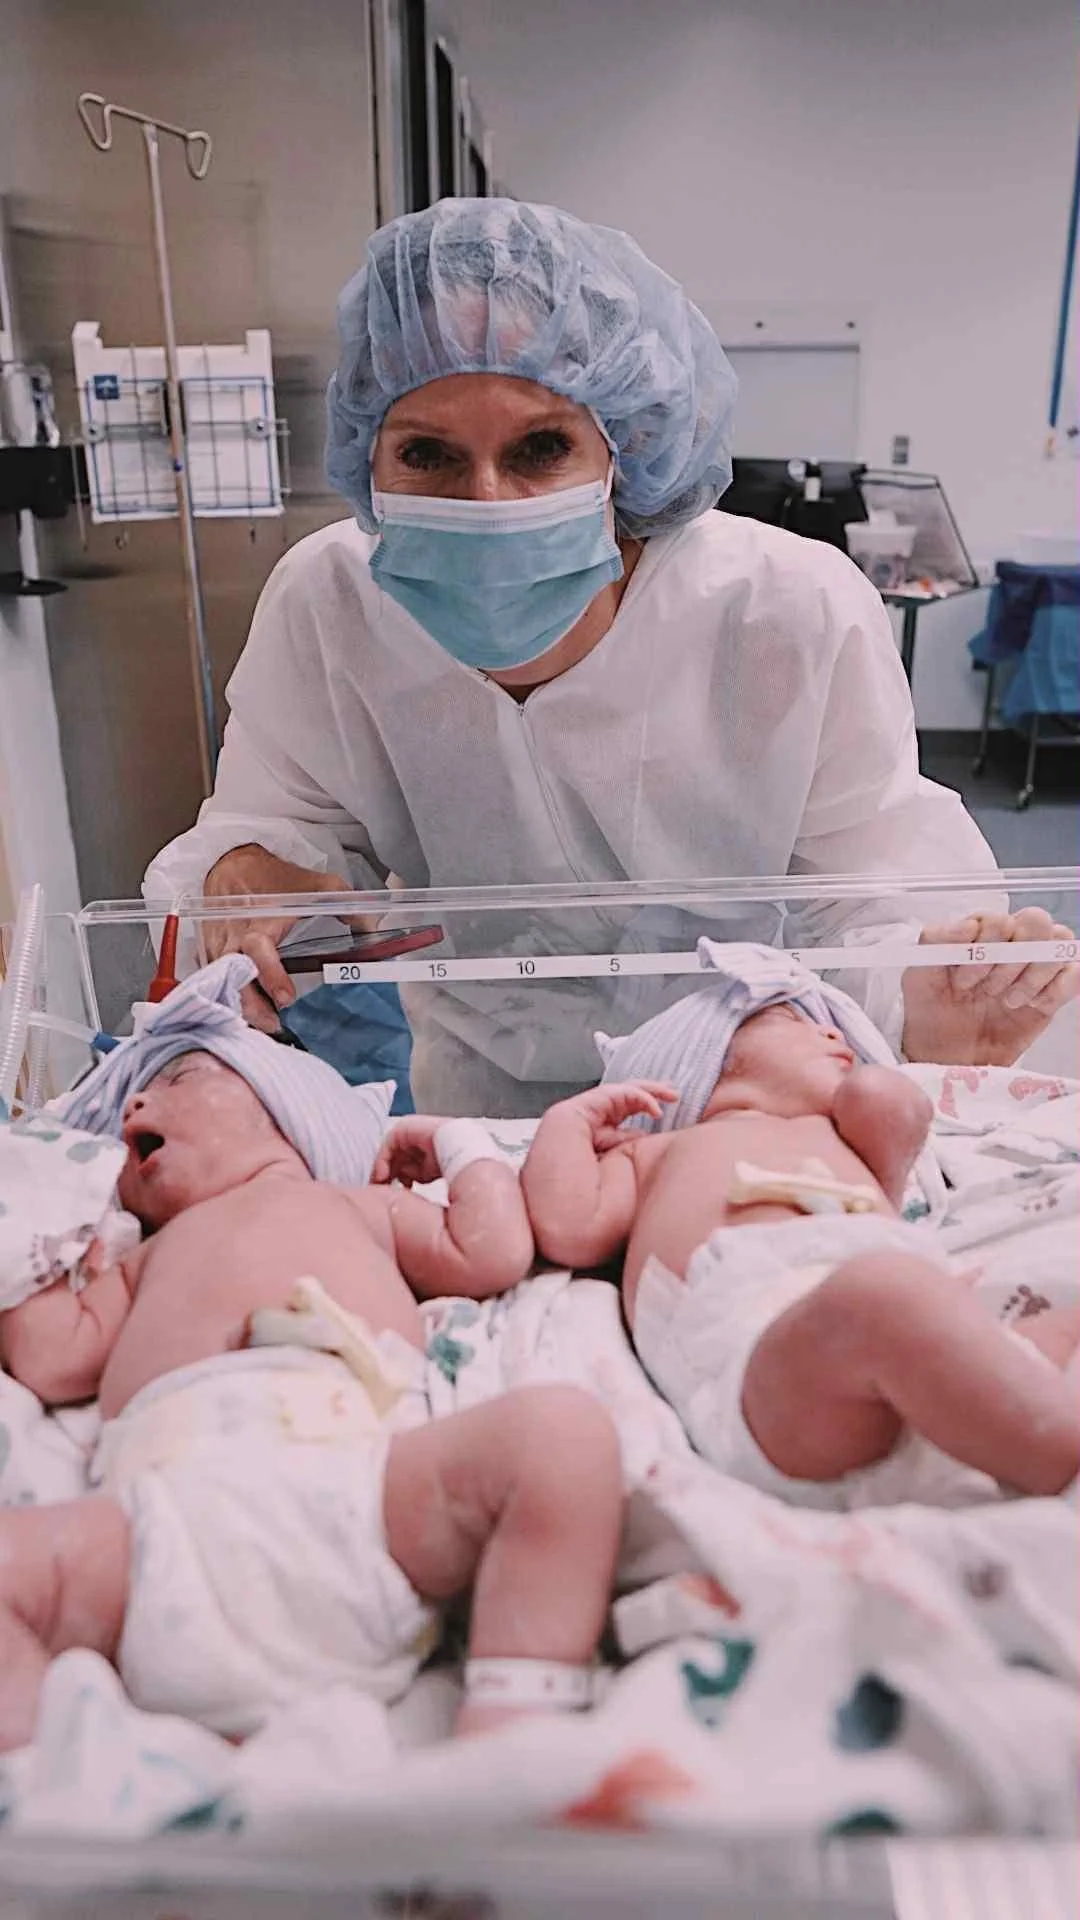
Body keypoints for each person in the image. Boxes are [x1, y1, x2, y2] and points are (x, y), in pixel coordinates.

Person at [143, 198, 1077, 1114]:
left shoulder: (784, 610)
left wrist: (923, 1007)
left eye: (542, 447)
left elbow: (867, 889)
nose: (488, 500)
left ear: (622, 449)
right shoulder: (330, 603)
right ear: (365, 462)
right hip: (477, 1104)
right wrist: (248, 876)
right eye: (426, 455)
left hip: (751, 1083)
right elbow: (272, 829)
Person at [0, 957, 621, 1750]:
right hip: (162, 1531)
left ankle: (514, 1738)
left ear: (291, 1107)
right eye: (128, 1099)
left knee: (561, 1437)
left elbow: (493, 1251)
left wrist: (461, 1146)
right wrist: (41, 1234)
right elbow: (52, 1359)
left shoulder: (357, 1207)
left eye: (181, 1076)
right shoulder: (143, 1259)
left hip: (358, 1497)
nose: (138, 1102)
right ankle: (42, 1803)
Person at [520, 943, 1079, 1511]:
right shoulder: (654, 1154)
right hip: (766, 1369)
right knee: (883, 1297)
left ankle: (1028, 1413)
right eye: (795, 1020)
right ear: (700, 1060)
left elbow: (901, 1117)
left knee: (1036, 1304)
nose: (836, 1036)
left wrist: (874, 1096)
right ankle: (1062, 1456)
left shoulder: (843, 1142)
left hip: (915, 1349)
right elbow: (569, 1227)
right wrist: (569, 1121)